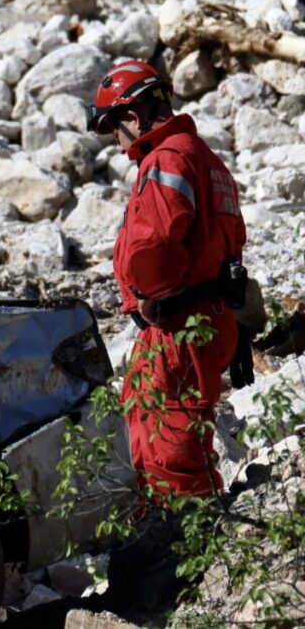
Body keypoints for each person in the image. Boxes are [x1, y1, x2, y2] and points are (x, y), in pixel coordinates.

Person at [86, 60, 251, 500]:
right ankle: (159, 520)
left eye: (114, 130)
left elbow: (152, 246)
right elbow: (234, 238)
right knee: (143, 415)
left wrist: (146, 294)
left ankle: (180, 530)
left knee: (169, 438)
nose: (121, 146)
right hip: (209, 319)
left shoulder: (166, 159)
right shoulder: (207, 159)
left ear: (133, 117)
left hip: (180, 325)